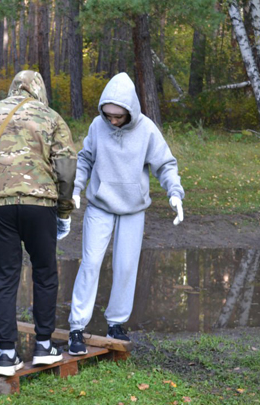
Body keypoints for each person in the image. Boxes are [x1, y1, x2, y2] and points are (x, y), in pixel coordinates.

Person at [0, 70, 77, 377]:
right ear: (40, 90)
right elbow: (65, 167)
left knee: (5, 278)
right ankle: (44, 346)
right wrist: (63, 210)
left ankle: (7, 354)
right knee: (45, 273)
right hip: (41, 206)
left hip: (0, 207)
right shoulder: (51, 117)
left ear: (12, 88)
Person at [67, 72, 184, 355]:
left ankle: (116, 323)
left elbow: (165, 164)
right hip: (99, 205)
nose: (112, 121)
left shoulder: (147, 130)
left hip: (133, 209)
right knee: (91, 264)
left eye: (117, 117)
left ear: (129, 111)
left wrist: (175, 193)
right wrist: (76, 188)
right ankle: (76, 328)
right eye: (108, 115)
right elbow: (85, 158)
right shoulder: (97, 126)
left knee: (126, 266)